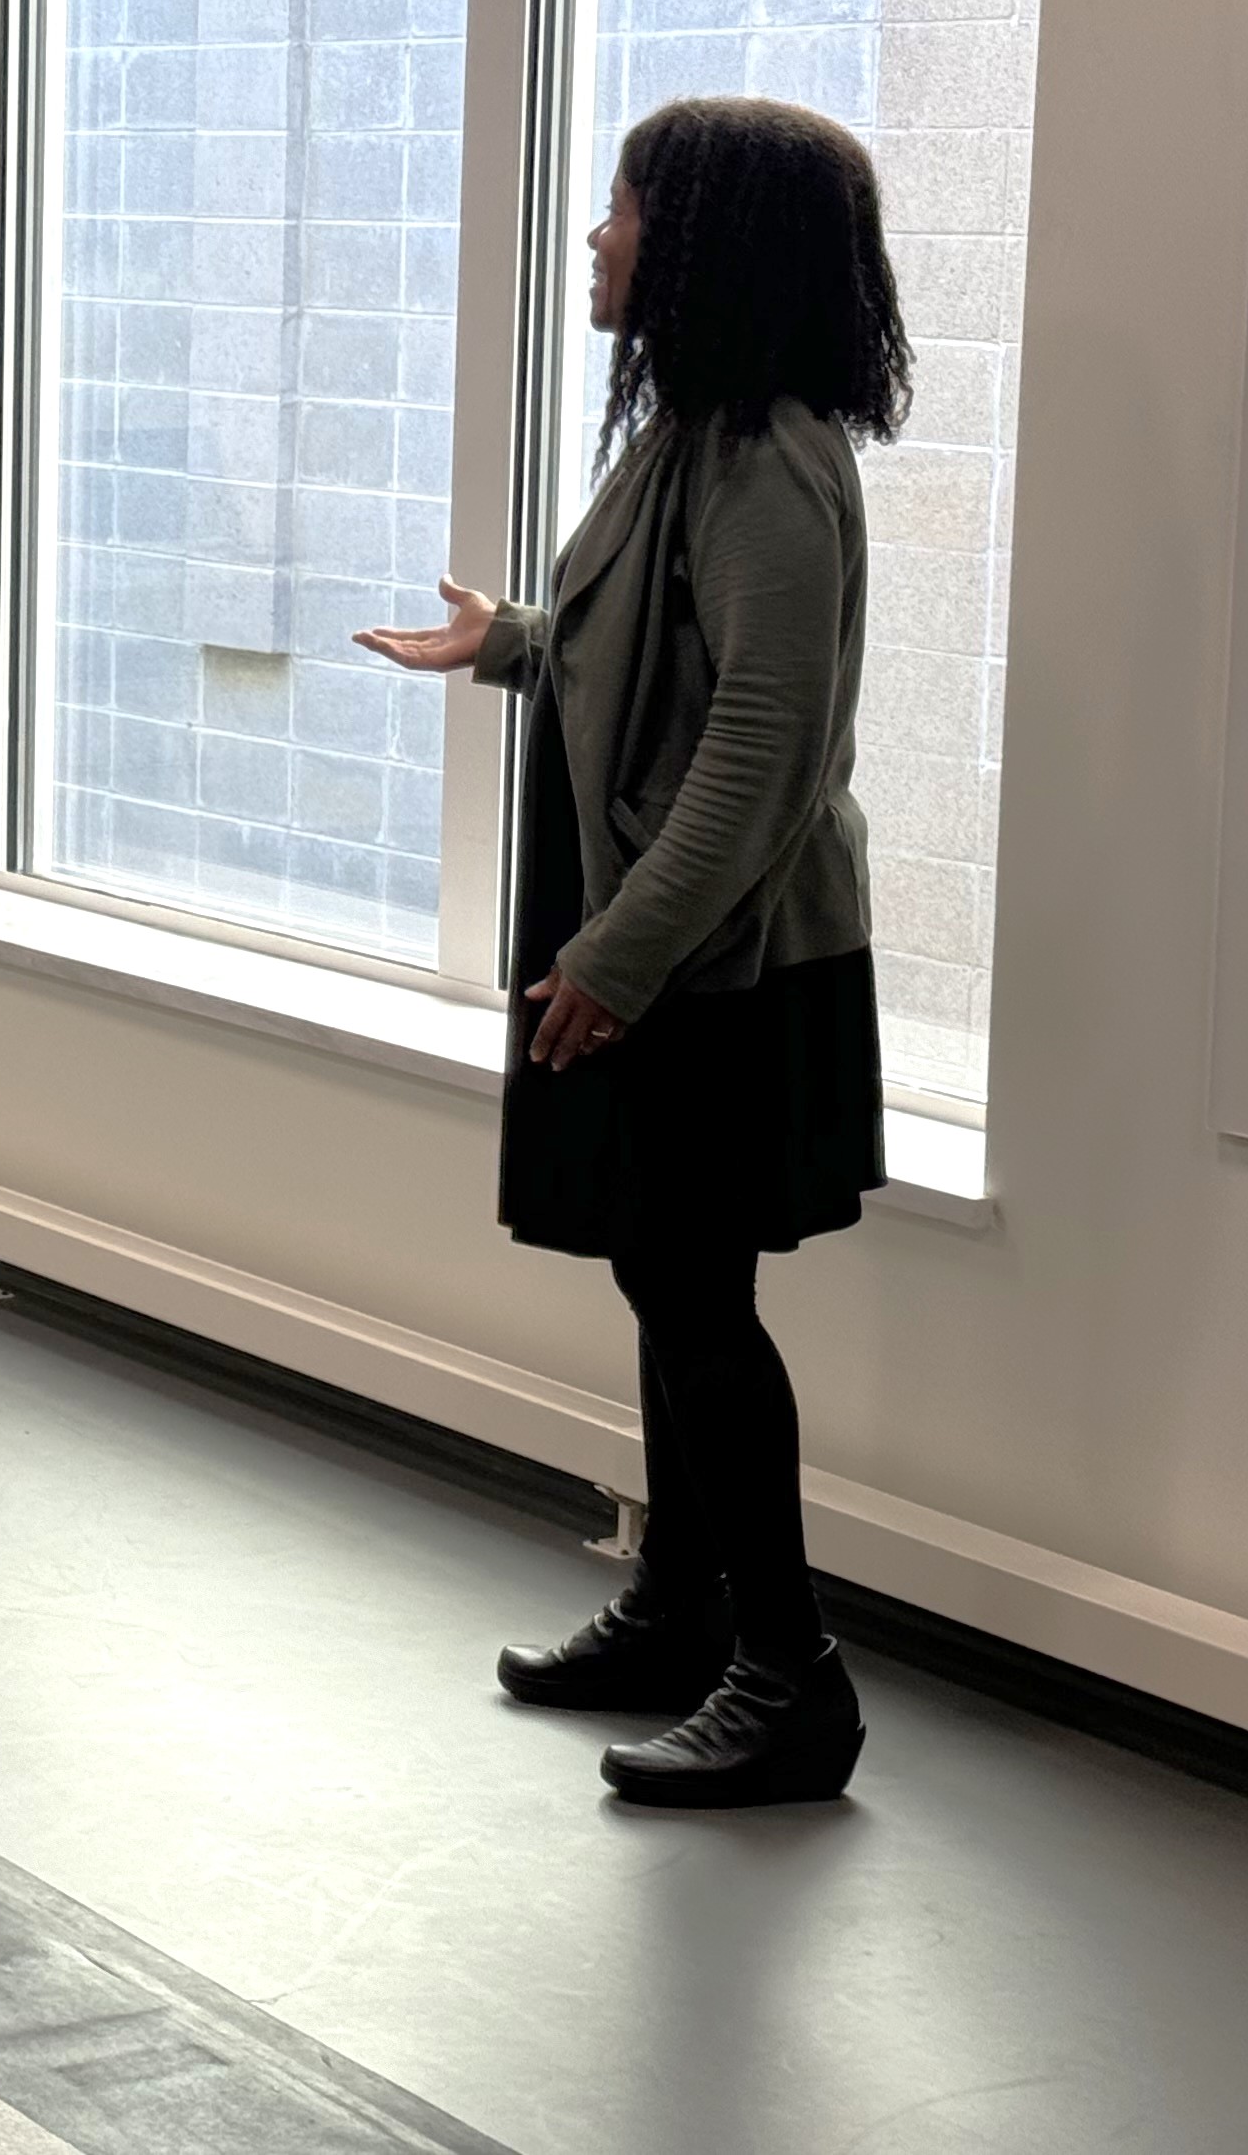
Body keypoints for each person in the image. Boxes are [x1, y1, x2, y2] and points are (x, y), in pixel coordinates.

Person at [355, 97, 902, 1810]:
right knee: (666, 1276)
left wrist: (617, 953)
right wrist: (513, 640)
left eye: (623, 212)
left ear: (709, 248)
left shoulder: (769, 465)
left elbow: (759, 743)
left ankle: (788, 1675)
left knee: (697, 1293)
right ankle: (680, 1609)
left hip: (717, 958)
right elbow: (644, 654)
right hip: (667, 938)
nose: (596, 240)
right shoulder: (692, 438)